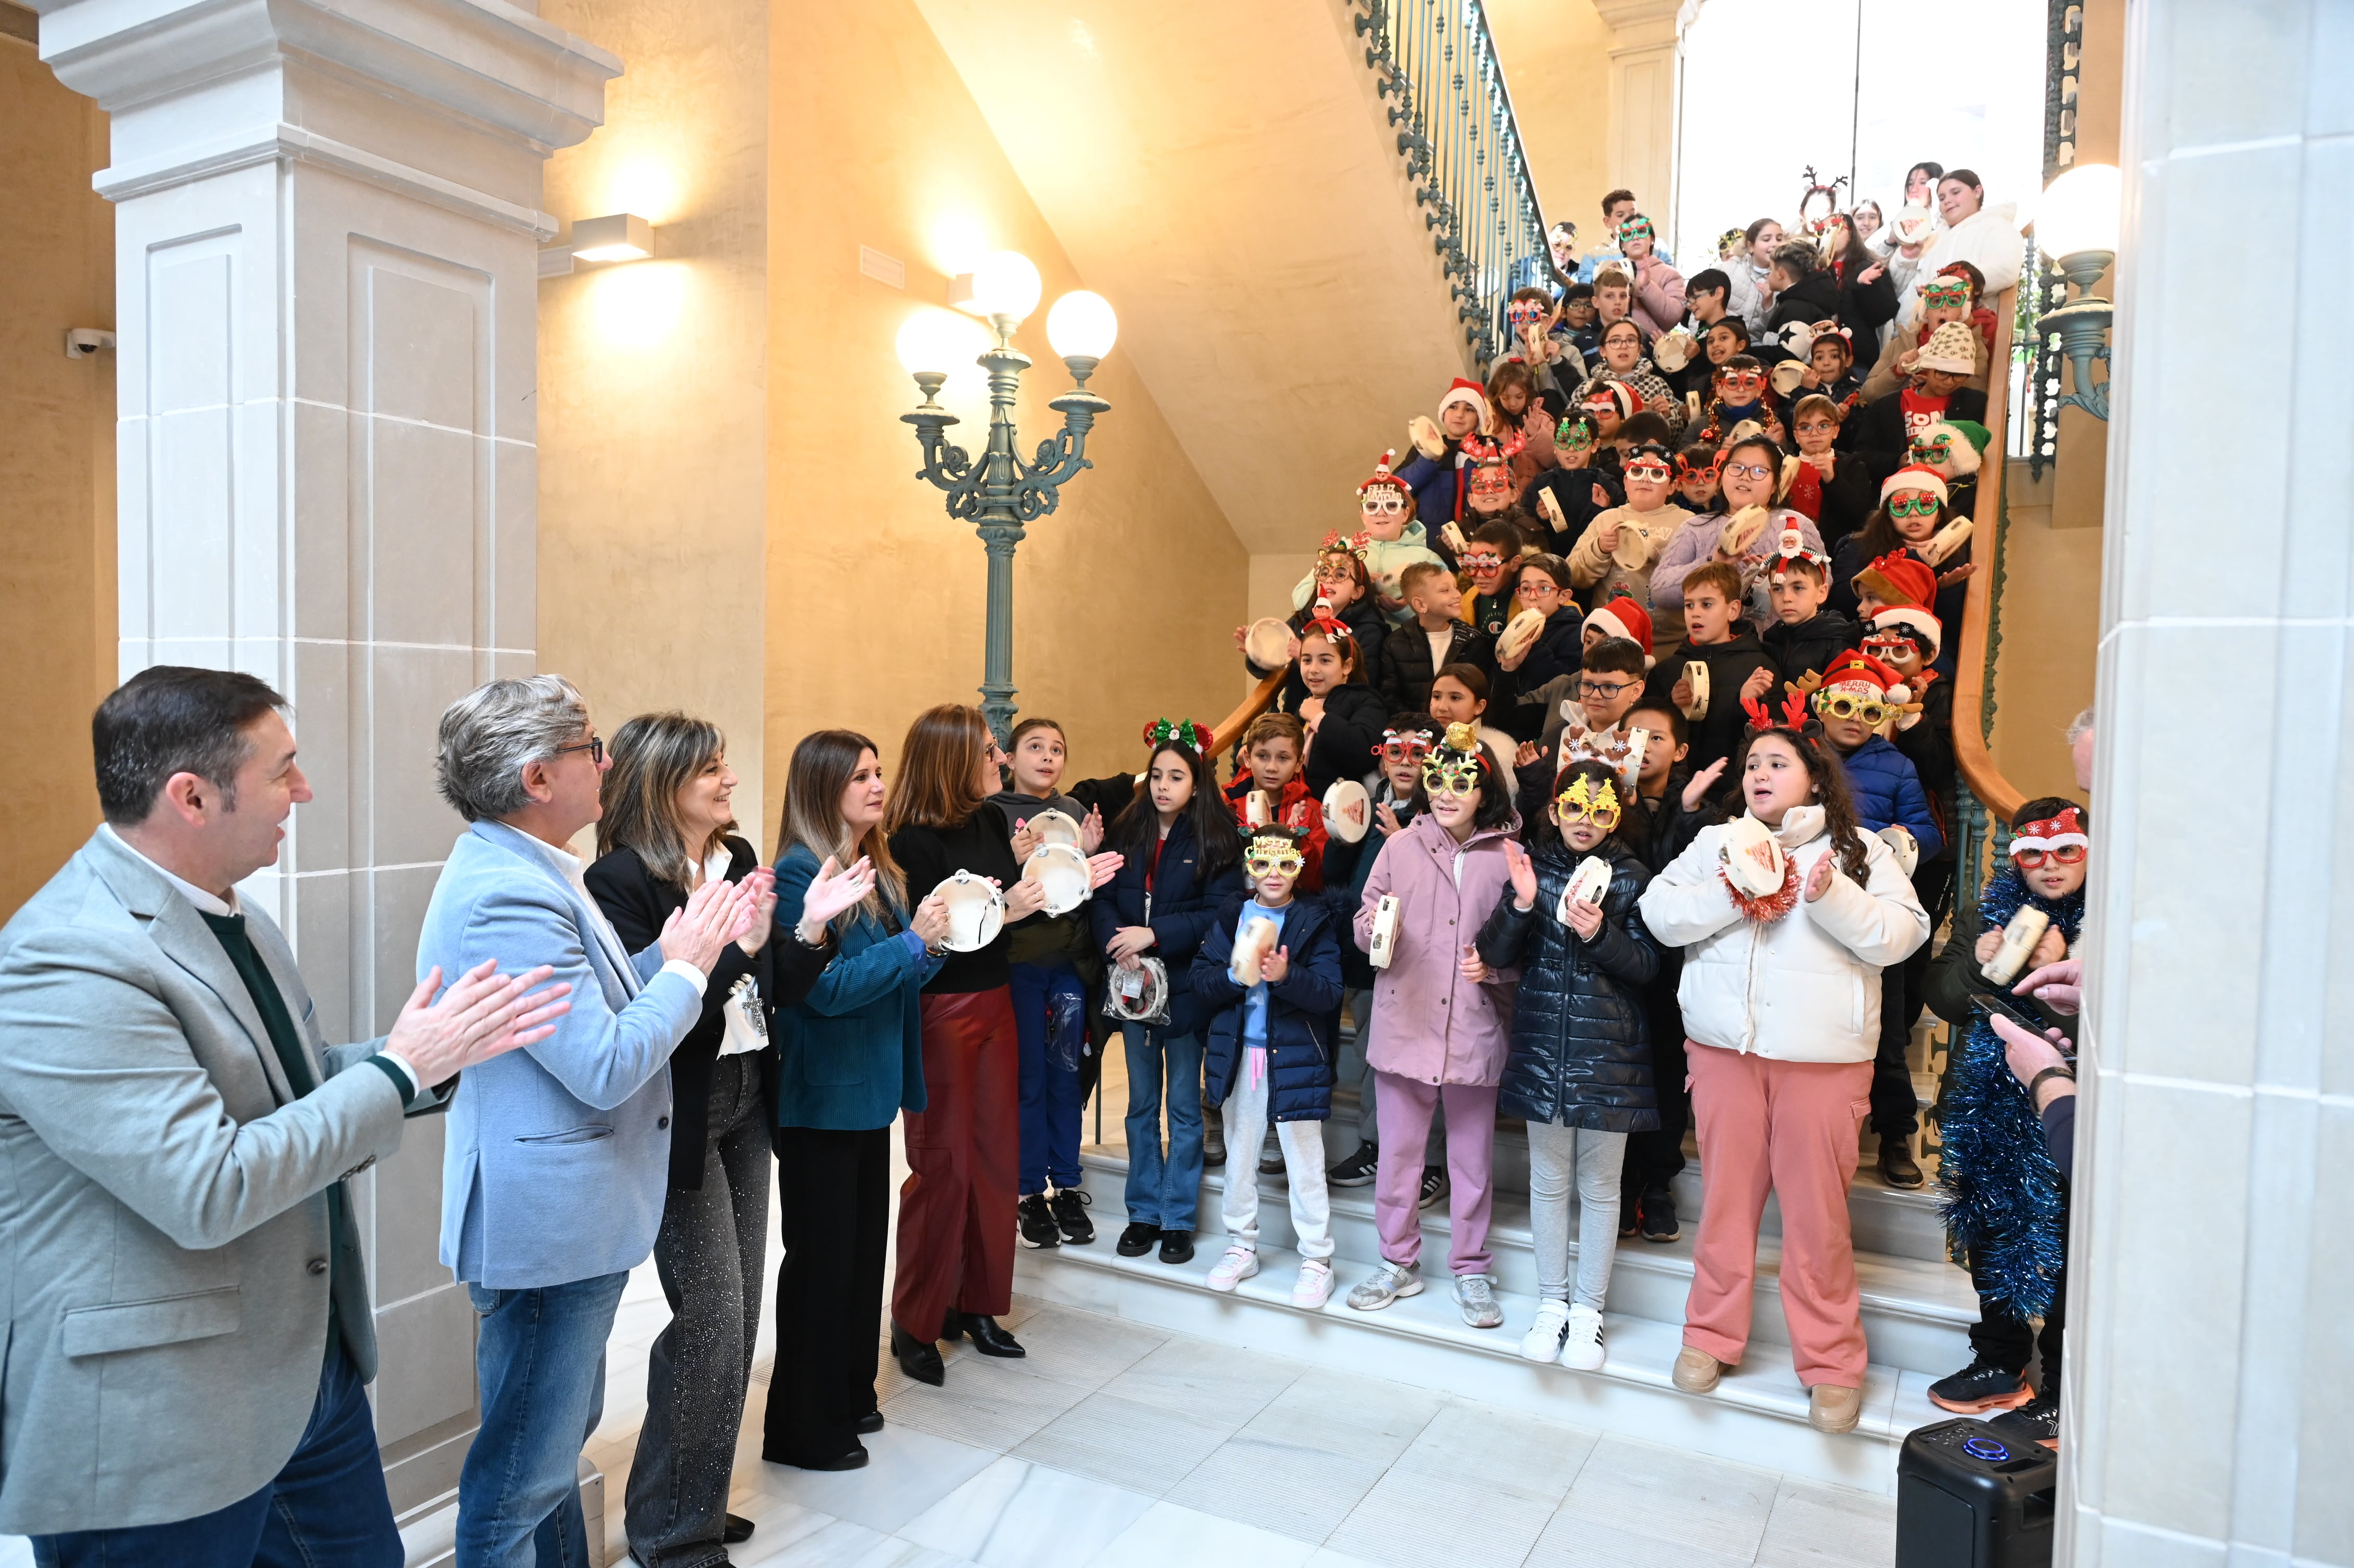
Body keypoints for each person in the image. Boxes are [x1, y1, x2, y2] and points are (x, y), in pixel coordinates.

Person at [0, 667, 568, 1563]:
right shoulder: (66, 958)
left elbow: (289, 1089)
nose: (302, 790)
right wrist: (397, 1067)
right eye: (283, 771)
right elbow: (205, 1183)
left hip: (303, 1375)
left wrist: (434, 1059)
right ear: (191, 796)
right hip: (162, 1421)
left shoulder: (243, 917)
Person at [417, 675, 770, 1567]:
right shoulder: (508, 890)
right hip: (547, 1220)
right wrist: (690, 968)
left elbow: (597, 1000)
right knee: (519, 1478)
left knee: (552, 1450)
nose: (608, 761)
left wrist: (683, 948)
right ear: (539, 778)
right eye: (589, 747)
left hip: (570, 1212)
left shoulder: (539, 868)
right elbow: (605, 1063)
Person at [1640, 709, 1930, 1434]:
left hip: (1823, 1065)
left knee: (1818, 1221)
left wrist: (1832, 896)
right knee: (1725, 1207)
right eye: (1751, 766)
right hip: (1723, 1054)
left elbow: (1901, 936)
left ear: (1813, 776)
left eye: (1777, 762)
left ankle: (1831, 1363)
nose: (1759, 775)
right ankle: (1710, 1335)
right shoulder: (1715, 843)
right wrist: (1728, 893)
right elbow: (1658, 913)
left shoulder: (1860, 849)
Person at [583, 713, 789, 1554]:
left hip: (744, 1095)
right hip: (681, 1107)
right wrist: (740, 947)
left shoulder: (736, 860)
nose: (729, 780)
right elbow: (659, 1010)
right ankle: (672, 1538)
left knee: (738, 1325)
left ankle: (691, 1503)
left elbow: (757, 975)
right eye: (710, 769)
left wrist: (771, 943)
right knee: (707, 1321)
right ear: (664, 782)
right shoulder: (620, 882)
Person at [884, 705, 1116, 1384]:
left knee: (994, 1159)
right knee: (942, 1167)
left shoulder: (991, 822)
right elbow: (939, 936)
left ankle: (978, 1304)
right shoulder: (912, 841)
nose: (1001, 760)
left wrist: (1059, 884)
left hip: (995, 1001)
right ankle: (917, 1319)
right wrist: (1010, 906)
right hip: (941, 1010)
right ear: (955, 760)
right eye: (990, 752)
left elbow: (1006, 912)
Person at [763, 729, 950, 1471]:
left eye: (880, 773)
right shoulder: (797, 872)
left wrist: (932, 944)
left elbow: (901, 978)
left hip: (869, 1089)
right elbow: (826, 990)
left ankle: (848, 1395)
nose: (878, 786)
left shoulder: (881, 866)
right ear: (821, 788)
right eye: (861, 777)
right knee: (821, 1266)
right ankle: (802, 1429)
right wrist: (912, 948)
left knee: (861, 1259)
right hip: (822, 1093)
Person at [1479, 761, 1659, 1368]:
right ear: (1554, 810)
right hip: (1540, 1050)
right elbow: (1494, 953)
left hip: (1609, 1053)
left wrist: (1600, 933)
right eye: (1575, 808)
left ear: (1616, 813)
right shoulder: (1532, 867)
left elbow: (1648, 968)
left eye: (1601, 810)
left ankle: (1588, 1313)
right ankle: (1550, 1303)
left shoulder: (1634, 876)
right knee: (1548, 1182)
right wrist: (1525, 904)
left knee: (1601, 1188)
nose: (1586, 821)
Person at [1924, 798, 2088, 1451]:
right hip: (1989, 1111)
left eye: (2065, 850)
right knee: (1988, 1232)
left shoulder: (2108, 923)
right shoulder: (1984, 913)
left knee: (2068, 1249)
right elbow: (1944, 996)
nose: (2048, 866)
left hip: (2065, 1109)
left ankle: (2058, 1393)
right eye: (2032, 854)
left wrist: (2061, 958)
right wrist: (1983, 959)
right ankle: (1999, 1360)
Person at [1346, 723, 1523, 1329]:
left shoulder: (1507, 856)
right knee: (1399, 1156)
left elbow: (1521, 941)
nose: (1447, 792)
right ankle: (1398, 1260)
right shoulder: (1398, 848)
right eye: (1437, 778)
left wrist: (1495, 971)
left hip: (1475, 1029)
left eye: (1462, 781)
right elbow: (1365, 915)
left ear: (1485, 790)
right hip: (1405, 1024)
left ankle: (1471, 1267)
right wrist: (1373, 931)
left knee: (1472, 1160)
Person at [1094, 720, 1244, 1266]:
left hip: (1184, 991)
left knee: (1183, 1107)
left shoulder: (1217, 840)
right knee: (1139, 1105)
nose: (1162, 786)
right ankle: (1142, 1211)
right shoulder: (1128, 829)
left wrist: (1155, 935)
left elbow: (1220, 914)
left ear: (1196, 782)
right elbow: (1103, 895)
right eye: (1156, 775)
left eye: (1175, 777)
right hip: (1133, 988)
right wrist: (1119, 942)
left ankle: (1178, 1217)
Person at [1193, 825, 1348, 1307]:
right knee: (1240, 1155)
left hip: (1296, 1058)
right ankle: (1242, 1244)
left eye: (1285, 864)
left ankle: (1317, 1258)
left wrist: (1286, 976)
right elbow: (1201, 981)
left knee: (1304, 1162)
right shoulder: (1230, 917)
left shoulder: (1313, 921)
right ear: (1249, 867)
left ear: (1299, 867)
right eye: (1263, 863)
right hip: (1241, 1057)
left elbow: (1329, 993)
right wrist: (1233, 978)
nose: (1273, 874)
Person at [1808, 654, 1944, 1188]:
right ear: (1822, 708)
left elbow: (1926, 830)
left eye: (1866, 709)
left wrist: (1900, 845)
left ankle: (1894, 1135)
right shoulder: (1798, 755)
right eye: (1841, 704)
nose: (1852, 717)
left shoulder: (1898, 764)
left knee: (1886, 1033)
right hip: (1809, 910)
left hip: (1869, 912)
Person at [991, 717, 1115, 1251]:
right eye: (1035, 747)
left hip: (1068, 968)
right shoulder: (994, 814)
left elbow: (1076, 891)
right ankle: (1026, 1193)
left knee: (1068, 1076)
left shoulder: (1070, 813)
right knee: (1028, 1080)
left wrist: (1087, 853)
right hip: (1017, 966)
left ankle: (1066, 1184)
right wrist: (1008, 859)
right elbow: (990, 891)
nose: (1047, 757)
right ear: (1010, 758)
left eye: (1057, 749)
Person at [1323, 718, 1435, 1195]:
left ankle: (1430, 1161)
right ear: (1381, 755)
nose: (1405, 762)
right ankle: (1374, 1145)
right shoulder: (1365, 805)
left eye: (1417, 753)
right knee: (1373, 1054)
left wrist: (1403, 833)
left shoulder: (1442, 810)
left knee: (1421, 1062)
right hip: (1369, 955)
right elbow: (1337, 874)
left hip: (1421, 959)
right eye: (1396, 752)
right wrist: (1340, 834)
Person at [1649, 561, 1781, 781]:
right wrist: (1672, 706)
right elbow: (1648, 733)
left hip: (1738, 790)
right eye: (1689, 605)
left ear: (1733, 610)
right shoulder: (1667, 669)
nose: (1695, 613)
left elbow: (1777, 737)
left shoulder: (1760, 667)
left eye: (1707, 605)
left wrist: (1748, 704)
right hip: (1677, 791)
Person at [1566, 441, 1690, 615]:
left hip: (1670, 638)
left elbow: (1699, 578)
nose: (1645, 479)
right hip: (1609, 634)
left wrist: (1658, 556)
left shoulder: (1687, 523)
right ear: (1625, 481)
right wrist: (1599, 548)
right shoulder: (1605, 519)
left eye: (1657, 473)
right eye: (1637, 471)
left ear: (1672, 487)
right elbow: (1573, 575)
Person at [1902, 169, 2022, 326]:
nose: (1947, 201)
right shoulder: (1934, 238)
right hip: (1917, 335)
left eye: (1956, 192)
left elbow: (2005, 269)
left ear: (1977, 192)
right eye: (1942, 198)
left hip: (1966, 333)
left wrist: (1947, 284)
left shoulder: (1997, 225)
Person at [1382, 561, 1497, 714]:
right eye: (1445, 591)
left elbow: (1483, 693)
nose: (1457, 595)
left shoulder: (1474, 640)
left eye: (1455, 588)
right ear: (1420, 605)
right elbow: (1391, 699)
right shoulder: (1394, 644)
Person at [1760, 538, 1860, 684]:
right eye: (1778, 589)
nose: (1787, 598)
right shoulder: (1771, 640)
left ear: (1822, 593)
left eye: (1798, 588)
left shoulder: (1838, 642)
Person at [1573, 318, 1688, 442]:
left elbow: (1676, 438)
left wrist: (1668, 416)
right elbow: (1571, 428)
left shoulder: (1657, 385)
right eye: (1615, 341)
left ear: (1639, 349)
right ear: (1603, 351)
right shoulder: (1587, 388)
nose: (1624, 346)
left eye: (1631, 340)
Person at [1617, 214, 1685, 337]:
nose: (1635, 238)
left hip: (1653, 347)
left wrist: (1647, 287)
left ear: (1652, 240)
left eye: (1642, 231)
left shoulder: (1670, 274)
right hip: (1615, 345)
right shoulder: (1611, 272)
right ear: (1622, 245)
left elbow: (1673, 318)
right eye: (1628, 234)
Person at [1724, 218, 1785, 335]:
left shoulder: (1785, 277)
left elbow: (1776, 330)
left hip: (1761, 349)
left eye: (1779, 239)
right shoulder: (1729, 270)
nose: (1775, 244)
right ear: (1751, 246)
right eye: (1767, 239)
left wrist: (1768, 305)